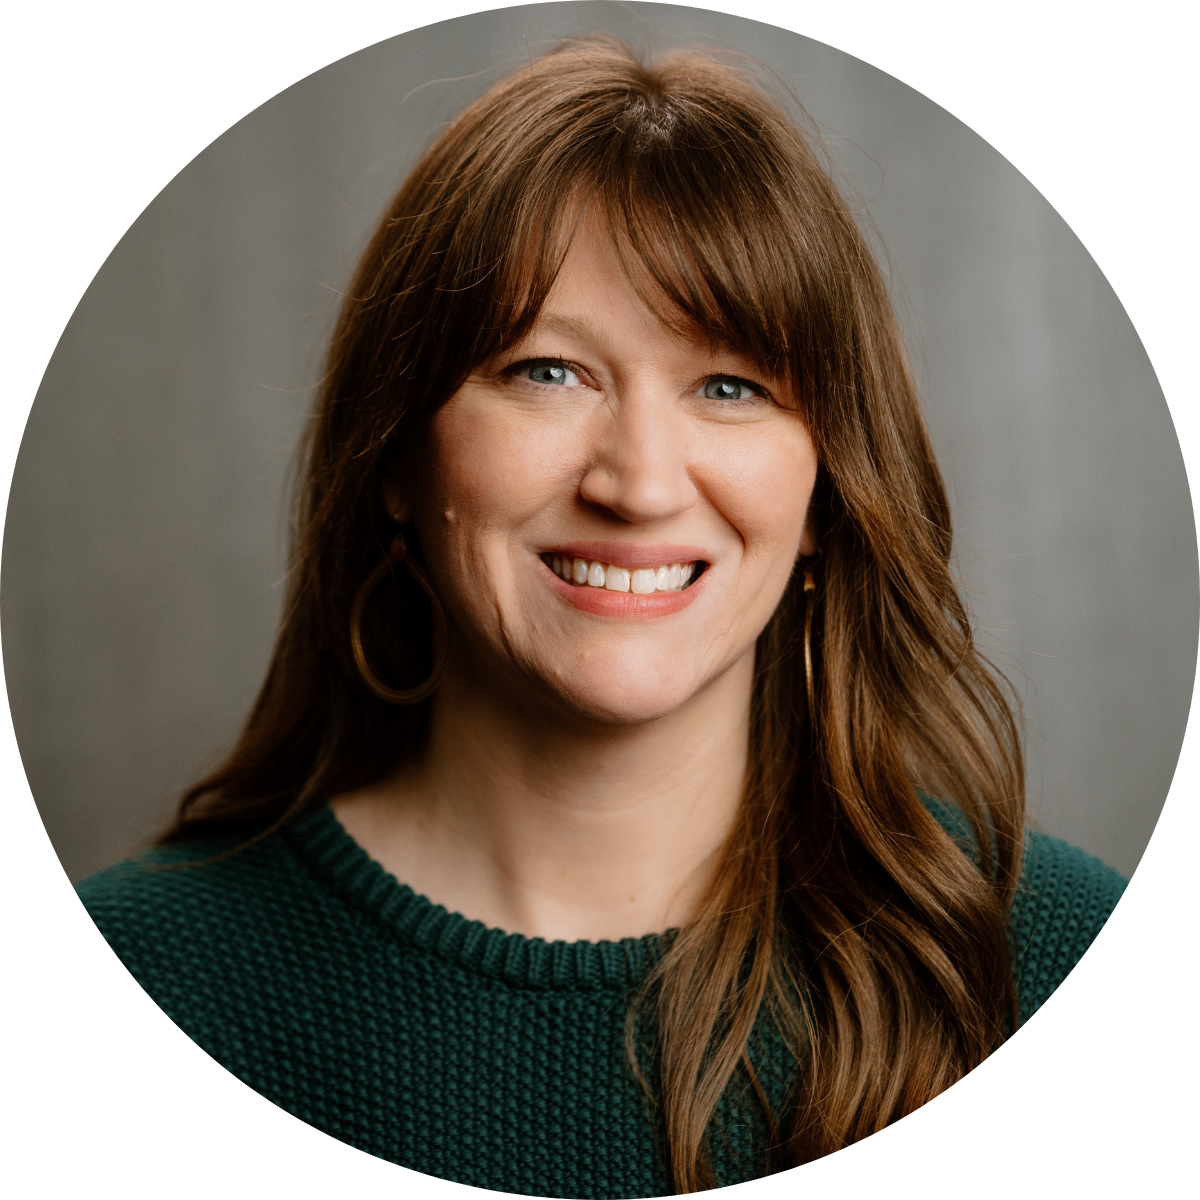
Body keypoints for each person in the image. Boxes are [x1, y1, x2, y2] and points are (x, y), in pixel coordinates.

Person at [76, 35, 1130, 1197]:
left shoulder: (1070, 980)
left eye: (731, 386)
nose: (636, 481)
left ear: (827, 491)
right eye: (546, 371)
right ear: (396, 455)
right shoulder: (117, 990)